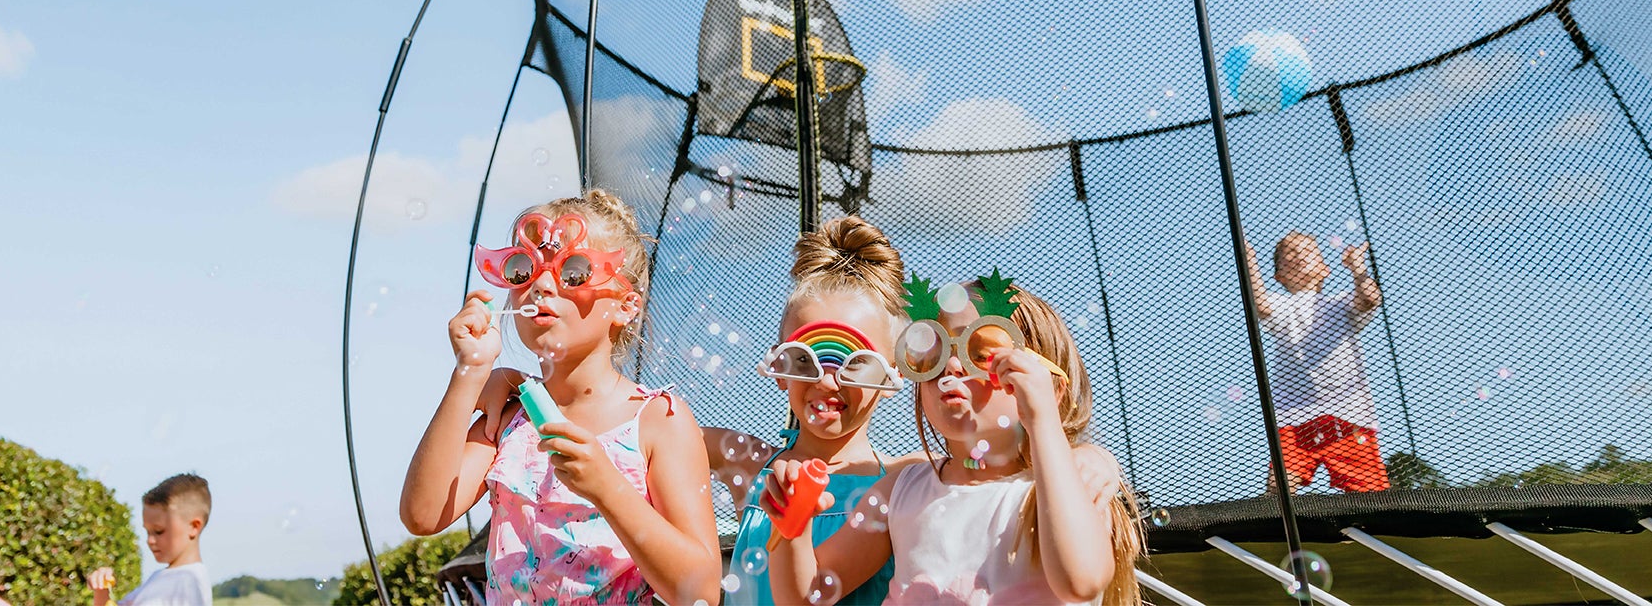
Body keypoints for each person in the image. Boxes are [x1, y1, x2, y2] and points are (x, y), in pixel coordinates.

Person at [397, 189, 721, 605]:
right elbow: (422, 515)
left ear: (626, 306)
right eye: (523, 269)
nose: (542, 285)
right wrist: (470, 373)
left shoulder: (658, 421)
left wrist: (608, 488)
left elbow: (702, 592)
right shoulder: (511, 416)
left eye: (574, 272)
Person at [763, 274, 1142, 606]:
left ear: (1051, 386)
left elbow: (1081, 582)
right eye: (931, 352)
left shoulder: (1069, 487)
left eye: (983, 351)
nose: (951, 365)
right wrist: (792, 528)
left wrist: (1043, 423)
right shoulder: (901, 490)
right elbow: (805, 594)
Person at [705, 215, 922, 606]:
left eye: (856, 364)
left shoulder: (905, 480)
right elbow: (652, 429)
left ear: (891, 378)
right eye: (804, 360)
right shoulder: (755, 469)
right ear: (778, 371)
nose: (826, 381)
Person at [1249, 231, 1388, 493]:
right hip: (1294, 418)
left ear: (1325, 269)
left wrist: (1358, 270)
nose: (1299, 255)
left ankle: (1369, 531)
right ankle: (1282, 531)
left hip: (1349, 417)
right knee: (1279, 489)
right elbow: (1261, 305)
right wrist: (1250, 262)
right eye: (1289, 254)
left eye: (1308, 251)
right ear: (1279, 277)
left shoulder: (1341, 304)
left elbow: (1370, 299)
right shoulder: (1283, 306)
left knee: (1371, 498)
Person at [86, 474, 213, 606]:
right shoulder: (159, 578)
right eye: (148, 532)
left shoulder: (188, 581)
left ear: (193, 527)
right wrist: (102, 589)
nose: (150, 540)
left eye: (159, 531)